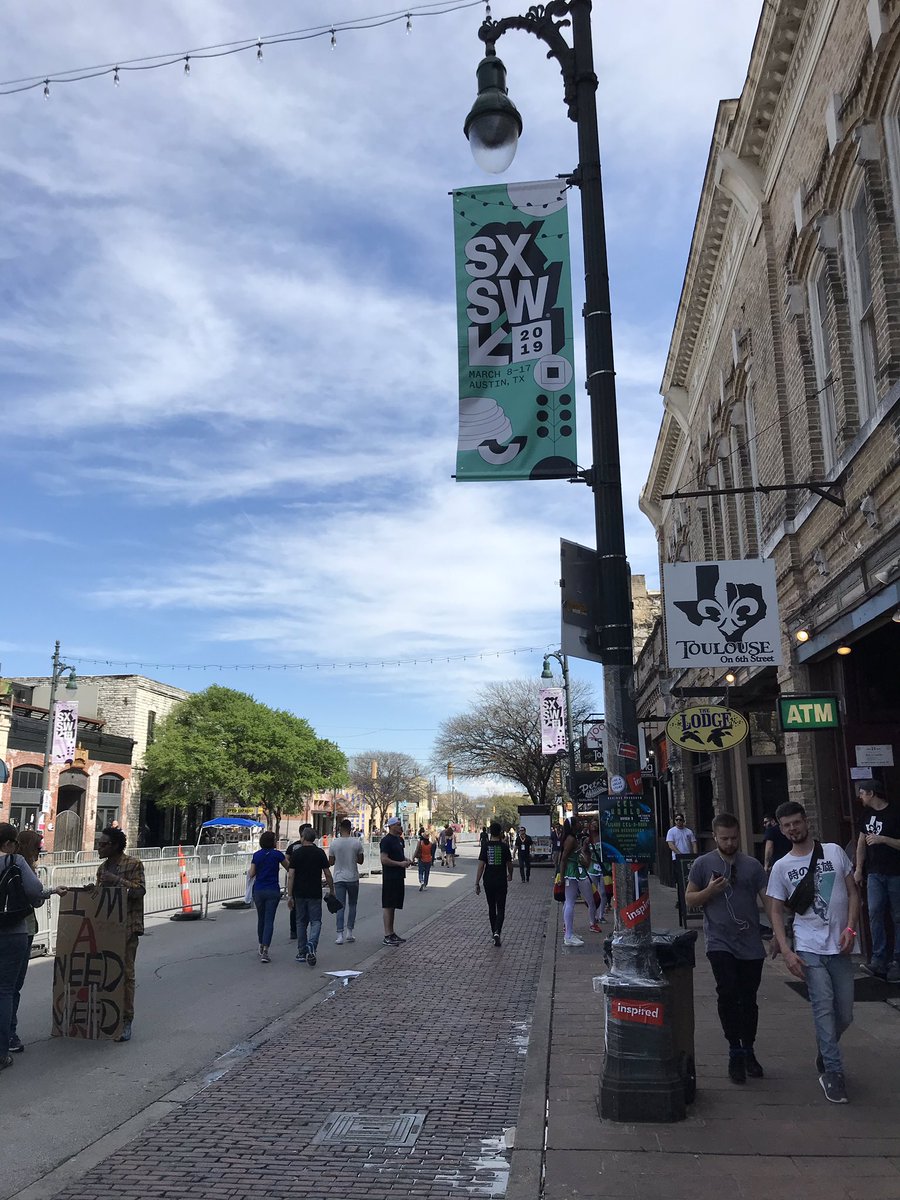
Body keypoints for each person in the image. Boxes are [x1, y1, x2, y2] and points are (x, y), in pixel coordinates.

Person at [767, 801, 859, 1104]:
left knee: (844, 1012)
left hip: (841, 946)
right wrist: (787, 949)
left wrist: (851, 929)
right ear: (781, 829)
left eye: (796, 822)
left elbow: (853, 892)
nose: (793, 828)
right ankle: (833, 1071)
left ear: (806, 822)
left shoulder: (834, 852)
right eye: (786, 825)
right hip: (809, 946)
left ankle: (825, 1047)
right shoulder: (781, 867)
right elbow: (776, 911)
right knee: (822, 1007)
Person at [685, 813, 768, 1083]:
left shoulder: (752, 866)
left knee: (749, 997)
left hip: (750, 942)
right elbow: (690, 900)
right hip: (719, 941)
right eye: (724, 839)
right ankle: (734, 1050)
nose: (730, 843)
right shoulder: (703, 864)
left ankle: (749, 1049)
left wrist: (779, 934)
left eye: (734, 838)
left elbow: (768, 900)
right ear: (715, 836)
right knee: (728, 991)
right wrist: (709, 891)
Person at [1, 826, 65, 1062]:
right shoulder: (16, 862)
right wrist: (50, 892)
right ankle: (7, 1039)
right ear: (10, 843)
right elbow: (35, 894)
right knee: (8, 989)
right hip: (15, 931)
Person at [95, 826, 146, 1043]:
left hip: (128, 927)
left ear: (115, 846)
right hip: (107, 927)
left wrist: (117, 881)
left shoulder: (133, 864)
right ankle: (106, 1015)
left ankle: (126, 1019)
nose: (99, 847)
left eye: (104, 844)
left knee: (125, 973)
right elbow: (99, 897)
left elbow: (139, 891)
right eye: (99, 843)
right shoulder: (102, 868)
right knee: (105, 972)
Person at [854, 780, 900, 982]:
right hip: (874, 872)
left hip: (895, 871)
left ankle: (897, 960)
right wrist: (858, 868)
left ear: (872, 793)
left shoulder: (895, 813)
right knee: (874, 913)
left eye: (862, 793)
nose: (860, 797)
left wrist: (883, 839)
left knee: (897, 915)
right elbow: (861, 842)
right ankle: (878, 959)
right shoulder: (865, 815)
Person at [287, 827, 333, 967]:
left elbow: (291, 875)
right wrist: (332, 889)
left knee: (301, 922)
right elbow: (327, 873)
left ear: (303, 838)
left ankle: (301, 951)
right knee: (316, 921)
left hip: (299, 892)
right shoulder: (319, 853)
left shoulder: (297, 853)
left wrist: (289, 895)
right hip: (315, 892)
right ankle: (312, 944)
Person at [559, 817, 598, 947]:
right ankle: (568, 935)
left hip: (572, 871)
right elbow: (563, 859)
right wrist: (562, 876)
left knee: (569, 902)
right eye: (578, 823)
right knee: (570, 902)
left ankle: (569, 932)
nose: (581, 825)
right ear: (573, 826)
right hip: (570, 873)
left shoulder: (571, 838)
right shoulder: (571, 840)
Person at [248, 830, 286, 963]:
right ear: (273, 842)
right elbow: (288, 866)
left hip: (259, 890)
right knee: (269, 920)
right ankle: (266, 950)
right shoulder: (277, 855)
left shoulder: (257, 855)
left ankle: (260, 944)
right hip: (273, 890)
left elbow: (252, 873)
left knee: (261, 918)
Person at [475, 820, 514, 946]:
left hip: (488, 881)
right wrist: (510, 875)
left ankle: (493, 931)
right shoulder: (504, 847)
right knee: (501, 908)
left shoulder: (485, 846)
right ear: (501, 832)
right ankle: (498, 931)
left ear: (491, 832)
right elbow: (510, 864)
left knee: (491, 908)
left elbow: (481, 865)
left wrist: (477, 882)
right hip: (501, 881)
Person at [328, 818, 364, 944]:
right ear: (350, 829)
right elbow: (360, 860)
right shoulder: (356, 843)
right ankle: (350, 932)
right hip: (353, 877)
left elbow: (331, 862)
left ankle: (339, 935)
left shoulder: (334, 843)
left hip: (338, 878)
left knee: (340, 906)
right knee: (352, 905)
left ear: (339, 829)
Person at [380, 815, 412, 945]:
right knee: (388, 905)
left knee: (394, 905)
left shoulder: (399, 840)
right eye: (398, 824)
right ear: (392, 826)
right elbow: (384, 859)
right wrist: (399, 864)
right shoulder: (386, 841)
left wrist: (405, 860)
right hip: (390, 876)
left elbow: (399, 854)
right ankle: (387, 935)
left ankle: (392, 933)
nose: (400, 826)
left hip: (399, 876)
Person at [284, 823, 312, 940]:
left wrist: (291, 870)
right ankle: (299, 929)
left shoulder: (292, 847)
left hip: (295, 880)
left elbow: (286, 859)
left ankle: (294, 930)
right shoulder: (312, 847)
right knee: (306, 907)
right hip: (308, 881)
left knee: (295, 907)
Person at [584, 818, 606, 924]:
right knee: (593, 892)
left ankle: (601, 915)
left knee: (603, 892)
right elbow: (584, 852)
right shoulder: (588, 840)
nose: (594, 827)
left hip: (603, 868)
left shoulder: (604, 838)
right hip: (592, 868)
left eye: (596, 825)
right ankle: (594, 916)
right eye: (592, 825)